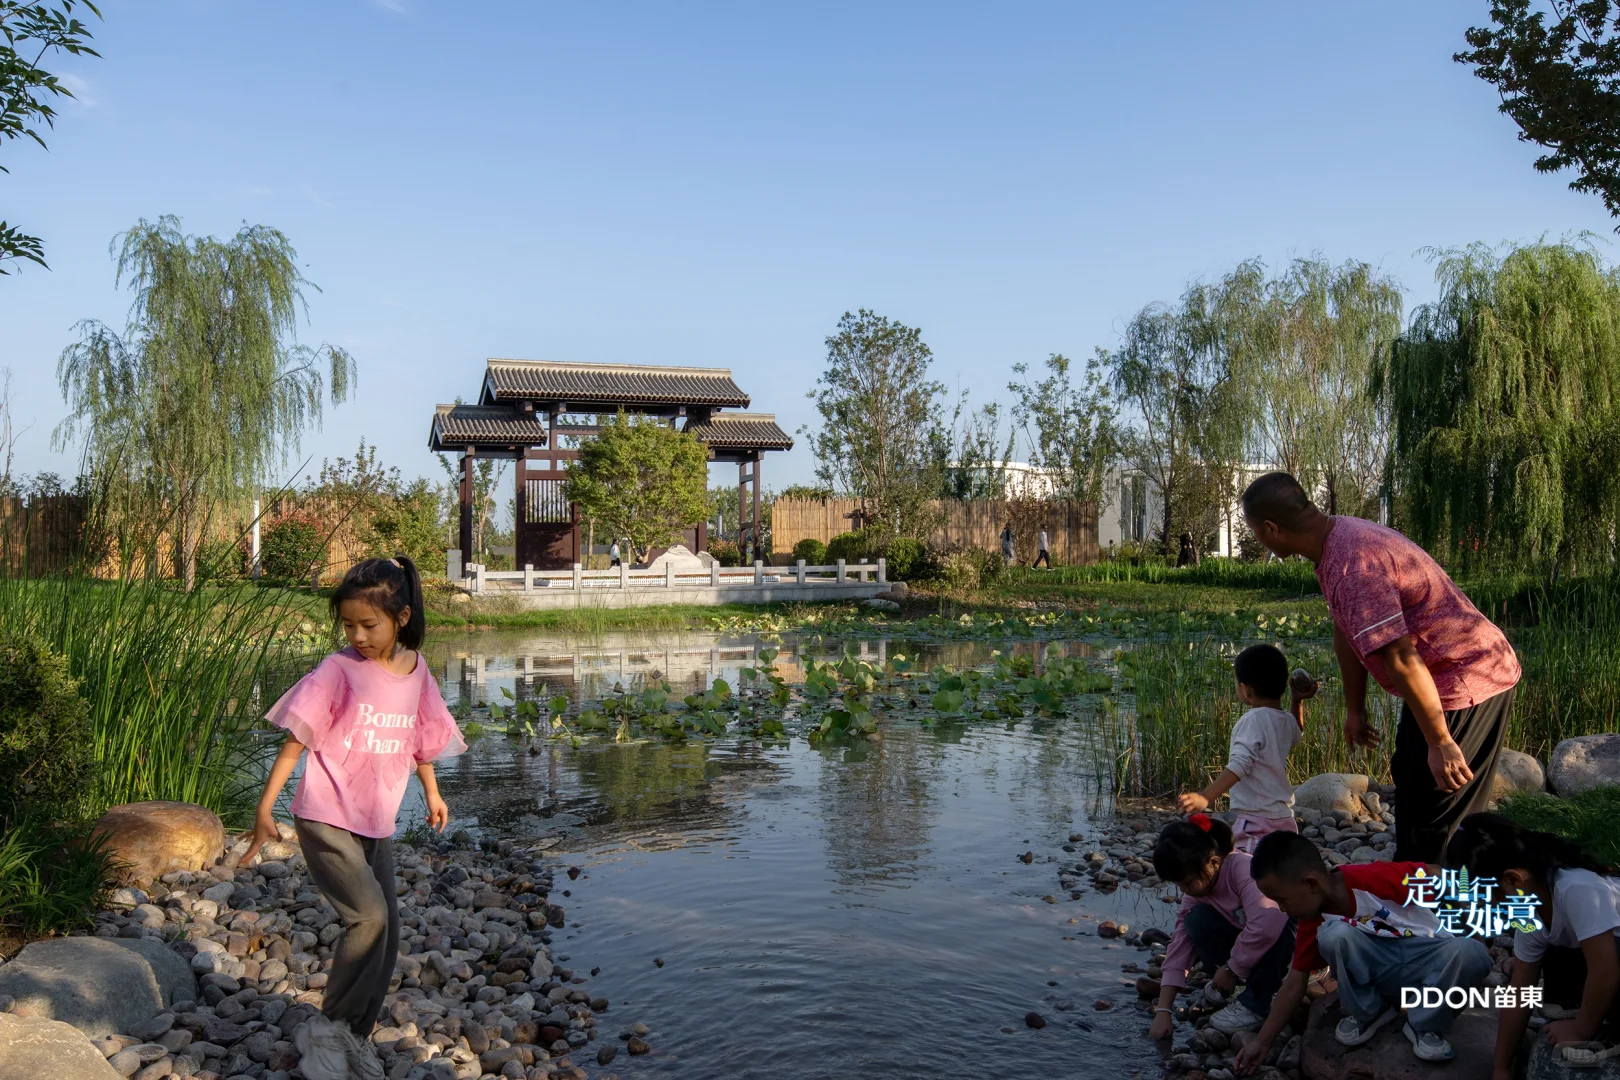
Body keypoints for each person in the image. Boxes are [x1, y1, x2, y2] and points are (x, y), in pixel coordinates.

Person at [241, 556, 466, 1080]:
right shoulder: (337, 670)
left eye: (368, 624)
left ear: (401, 617)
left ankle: (352, 1038)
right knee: (368, 918)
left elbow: (421, 738)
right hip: (325, 816)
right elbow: (297, 739)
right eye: (348, 625)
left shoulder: (417, 670)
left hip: (375, 822)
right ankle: (328, 1030)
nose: (358, 636)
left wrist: (433, 792)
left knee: (388, 934)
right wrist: (264, 807)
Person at [1240, 471, 1521, 862]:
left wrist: (1441, 742)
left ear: (1271, 529)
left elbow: (1402, 657)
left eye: (1255, 532)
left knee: (1442, 816)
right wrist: (1355, 709)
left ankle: (1444, 893)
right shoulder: (1334, 542)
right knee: (1409, 779)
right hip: (1433, 680)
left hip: (1467, 675)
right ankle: (1410, 881)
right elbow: (1345, 630)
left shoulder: (1353, 566)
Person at [1237, 831, 1491, 1074]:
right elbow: (1295, 983)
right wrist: (1261, 1043)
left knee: (1474, 952)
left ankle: (1426, 1025)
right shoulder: (1313, 921)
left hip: (1426, 968)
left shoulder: (1371, 878)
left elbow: (1436, 873)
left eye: (1282, 900)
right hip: (1383, 980)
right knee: (1334, 935)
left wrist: (1470, 916)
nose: (1282, 909)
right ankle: (1371, 1011)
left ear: (1311, 884)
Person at [1445, 813, 1620, 1078]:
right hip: (1606, 959)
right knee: (1555, 953)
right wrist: (1501, 1068)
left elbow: (1605, 972)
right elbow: (1519, 991)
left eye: (1484, 898)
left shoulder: (1577, 888)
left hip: (1613, 959)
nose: (1484, 907)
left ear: (1512, 880)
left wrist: (1580, 1030)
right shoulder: (1529, 911)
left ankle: (1605, 1027)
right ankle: (1591, 1012)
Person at [1148, 815, 1295, 1039]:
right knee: (1195, 920)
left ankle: (1258, 1003)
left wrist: (1231, 969)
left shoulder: (1244, 870)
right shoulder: (1200, 888)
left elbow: (1267, 923)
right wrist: (1163, 1010)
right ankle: (1240, 986)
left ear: (1214, 863)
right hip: (1254, 952)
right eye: (1178, 885)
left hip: (1293, 948)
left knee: (1279, 922)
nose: (1184, 890)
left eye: (1187, 883)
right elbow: (1180, 944)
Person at [1177, 644, 1315, 854]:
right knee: (1279, 866)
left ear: (1246, 689)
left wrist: (1205, 797)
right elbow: (1297, 731)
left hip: (1256, 820)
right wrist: (1297, 700)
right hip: (1283, 817)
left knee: (1251, 866)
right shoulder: (1285, 720)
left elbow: (1240, 765)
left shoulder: (1252, 720)